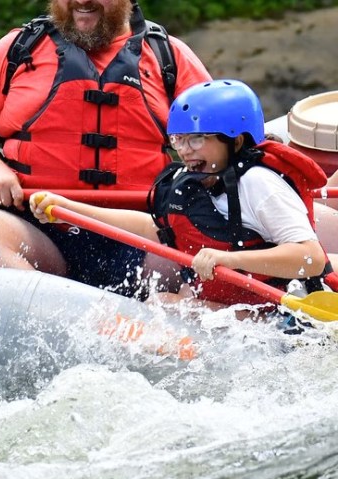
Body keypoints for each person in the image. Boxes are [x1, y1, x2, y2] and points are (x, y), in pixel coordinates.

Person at [0, 0, 211, 297]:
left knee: (203, 247)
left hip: (136, 233)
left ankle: (158, 325)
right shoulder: (18, 48)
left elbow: (222, 149)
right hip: (31, 226)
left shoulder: (168, 57)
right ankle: (46, 309)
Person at [30, 79, 338, 312]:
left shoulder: (260, 183)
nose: (184, 150)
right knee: (162, 302)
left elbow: (309, 258)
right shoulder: (193, 180)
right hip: (231, 305)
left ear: (236, 140)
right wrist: (70, 208)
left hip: (280, 310)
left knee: (174, 306)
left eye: (197, 139)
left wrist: (228, 260)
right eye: (179, 139)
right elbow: (153, 229)